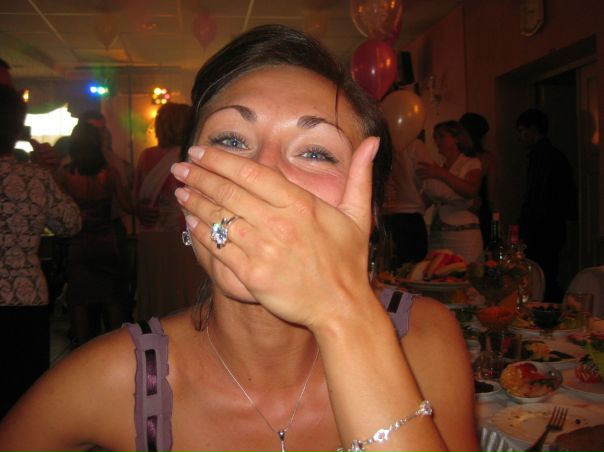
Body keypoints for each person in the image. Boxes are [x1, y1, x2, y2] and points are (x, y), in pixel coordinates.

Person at [0, 25, 478, 452]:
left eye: (316, 151)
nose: (262, 172)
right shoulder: (111, 380)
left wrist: (345, 318)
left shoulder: (424, 341)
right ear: (185, 188)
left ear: (370, 211)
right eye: (231, 141)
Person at [0, 84, 81, 417]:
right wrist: (50, 175)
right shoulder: (34, 177)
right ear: (16, 127)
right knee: (24, 398)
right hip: (26, 296)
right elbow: (70, 223)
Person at [56, 122, 133, 346]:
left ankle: (82, 349)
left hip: (79, 241)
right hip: (106, 240)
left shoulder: (66, 174)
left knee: (79, 299)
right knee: (112, 297)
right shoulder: (110, 172)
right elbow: (126, 205)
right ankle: (116, 347)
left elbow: (59, 209)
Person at [133, 102, 206, 319]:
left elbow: (136, 196)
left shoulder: (146, 156)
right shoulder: (188, 157)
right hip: (181, 234)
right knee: (184, 290)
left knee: (156, 290)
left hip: (151, 235)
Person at [516, 108, 577, 302]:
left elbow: (537, 197)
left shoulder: (541, 156)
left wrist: (525, 229)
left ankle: (547, 310)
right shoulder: (554, 155)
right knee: (547, 274)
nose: (520, 137)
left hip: (542, 228)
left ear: (533, 130)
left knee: (542, 278)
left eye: (522, 131)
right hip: (551, 226)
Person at [417, 120, 483, 263]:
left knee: (465, 272)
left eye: (441, 136)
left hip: (463, 235)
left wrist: (441, 174)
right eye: (435, 137)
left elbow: (471, 190)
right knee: (435, 272)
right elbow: (424, 202)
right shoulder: (437, 168)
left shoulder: (471, 163)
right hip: (438, 235)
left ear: (456, 138)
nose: (436, 141)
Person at [381, 136, 440, 267]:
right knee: (411, 269)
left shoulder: (379, 143)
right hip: (408, 219)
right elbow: (432, 186)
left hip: (383, 217)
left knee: (388, 267)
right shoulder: (414, 145)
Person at [459, 112, 498, 245]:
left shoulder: (456, 159)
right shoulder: (487, 159)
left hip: (460, 214)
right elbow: (492, 197)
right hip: (480, 214)